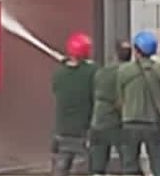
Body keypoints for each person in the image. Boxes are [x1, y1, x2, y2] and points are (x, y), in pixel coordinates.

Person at [117, 29, 160, 176]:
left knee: (129, 166)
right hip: (153, 125)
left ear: (136, 50)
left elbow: (120, 100)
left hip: (130, 123)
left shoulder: (124, 71)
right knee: (158, 166)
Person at [50, 32, 96, 176]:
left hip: (62, 132)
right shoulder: (91, 71)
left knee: (60, 170)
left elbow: (56, 88)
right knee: (81, 170)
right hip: (82, 133)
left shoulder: (59, 74)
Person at [89, 40, 131, 175]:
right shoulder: (133, 72)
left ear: (115, 54)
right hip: (123, 123)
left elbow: (94, 93)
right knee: (129, 163)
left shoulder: (102, 72)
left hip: (101, 120)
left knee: (98, 166)